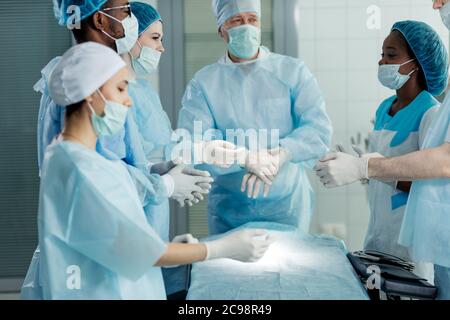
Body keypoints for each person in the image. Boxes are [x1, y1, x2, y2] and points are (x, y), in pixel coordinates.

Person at [30, 42, 273, 300]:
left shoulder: (79, 159)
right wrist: (222, 248)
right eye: (121, 88)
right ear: (92, 92)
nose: (128, 101)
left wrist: (168, 249)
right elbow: (134, 251)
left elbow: (111, 236)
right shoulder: (78, 170)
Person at [315, 0, 450, 299]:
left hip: (410, 245)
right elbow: (382, 166)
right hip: (378, 235)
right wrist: (357, 167)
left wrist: (367, 168)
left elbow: (430, 182)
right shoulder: (383, 108)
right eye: (382, 54)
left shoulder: (431, 113)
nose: (381, 63)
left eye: (391, 56)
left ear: (416, 64)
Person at [177, 0, 332, 235]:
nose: (246, 26)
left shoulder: (292, 72)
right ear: (221, 30)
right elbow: (194, 145)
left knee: (290, 268)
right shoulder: (204, 84)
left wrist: (281, 154)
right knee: (231, 270)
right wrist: (244, 158)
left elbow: (317, 130)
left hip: (287, 204)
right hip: (230, 209)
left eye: (252, 19)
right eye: (237, 21)